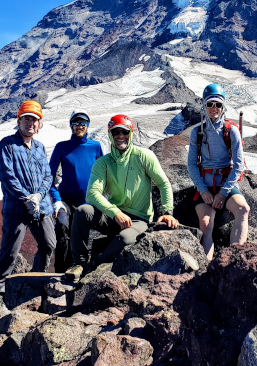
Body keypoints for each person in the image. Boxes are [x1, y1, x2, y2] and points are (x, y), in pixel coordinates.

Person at [66, 113, 179, 280]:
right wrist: (115, 212)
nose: (120, 136)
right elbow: (91, 194)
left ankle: (94, 267)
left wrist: (167, 212)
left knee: (125, 239)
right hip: (113, 216)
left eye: (124, 132)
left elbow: (163, 183)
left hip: (139, 219)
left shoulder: (143, 156)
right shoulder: (103, 163)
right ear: (110, 134)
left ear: (131, 134)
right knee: (83, 211)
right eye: (116, 132)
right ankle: (79, 263)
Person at [0, 100, 56, 307]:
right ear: (19, 121)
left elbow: (47, 175)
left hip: (41, 207)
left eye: (35, 120)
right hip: (17, 209)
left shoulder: (40, 147)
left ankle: (36, 282)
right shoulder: (7, 145)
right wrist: (26, 198)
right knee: (9, 252)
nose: (31, 123)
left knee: (48, 244)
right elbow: (6, 176)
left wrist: (40, 196)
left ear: (39, 124)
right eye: (27, 119)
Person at [187, 83, 250, 260]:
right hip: (205, 184)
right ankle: (206, 269)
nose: (214, 109)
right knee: (206, 223)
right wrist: (203, 191)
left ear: (223, 107)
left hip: (225, 184)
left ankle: (234, 259)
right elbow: (192, 165)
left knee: (243, 209)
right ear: (204, 106)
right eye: (210, 104)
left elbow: (238, 165)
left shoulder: (232, 131)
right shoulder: (197, 133)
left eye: (218, 105)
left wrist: (222, 194)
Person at [48, 110, 103, 273]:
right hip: (65, 200)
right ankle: (60, 273)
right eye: (76, 122)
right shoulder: (61, 147)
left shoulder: (95, 147)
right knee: (63, 227)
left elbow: (104, 173)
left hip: (88, 202)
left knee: (82, 237)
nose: (80, 126)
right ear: (71, 125)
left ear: (88, 125)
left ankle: (79, 271)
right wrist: (56, 199)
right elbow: (48, 177)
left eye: (83, 123)